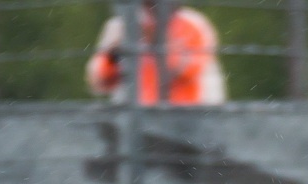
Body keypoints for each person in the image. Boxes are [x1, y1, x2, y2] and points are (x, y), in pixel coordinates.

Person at [86, 1, 227, 106]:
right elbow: (100, 83)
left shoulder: (192, 24)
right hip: (137, 120)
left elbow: (188, 71)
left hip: (188, 117)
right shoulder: (121, 26)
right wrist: (113, 54)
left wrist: (155, 40)